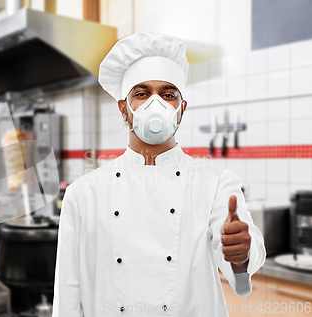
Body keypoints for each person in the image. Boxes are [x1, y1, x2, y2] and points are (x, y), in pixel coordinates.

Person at [52, 31, 266, 317]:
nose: (157, 104)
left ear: (181, 109)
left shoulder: (214, 184)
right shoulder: (83, 194)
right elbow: (67, 294)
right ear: (124, 109)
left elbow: (240, 259)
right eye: (141, 94)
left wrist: (241, 254)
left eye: (168, 94)